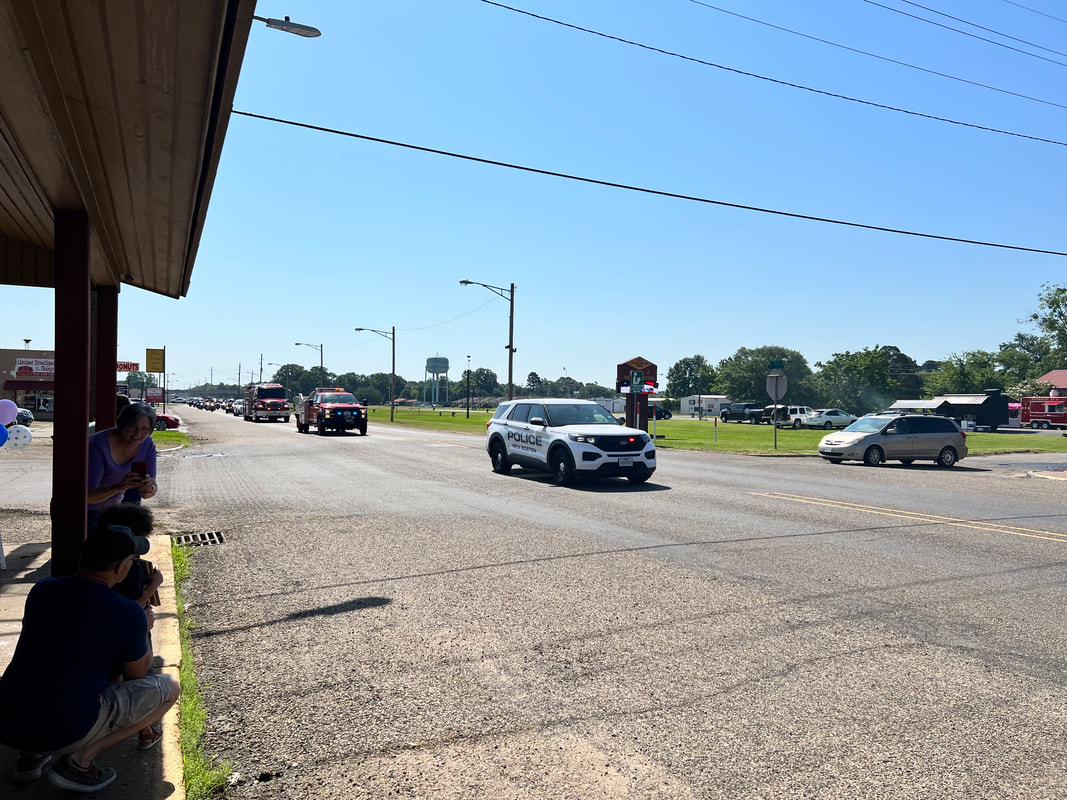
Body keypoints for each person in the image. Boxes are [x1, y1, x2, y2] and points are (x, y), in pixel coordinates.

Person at [0, 524, 179, 793]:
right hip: (65, 729)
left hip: (7, 721)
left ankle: (31, 757)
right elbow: (137, 676)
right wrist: (143, 628)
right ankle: (79, 763)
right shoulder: (127, 613)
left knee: (52, 673)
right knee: (168, 689)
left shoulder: (43, 590)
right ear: (120, 568)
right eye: (132, 561)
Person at [96, 504, 165, 749]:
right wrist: (153, 586)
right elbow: (131, 607)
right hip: (130, 627)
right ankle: (146, 731)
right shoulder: (131, 568)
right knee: (140, 676)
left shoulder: (48, 589)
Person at [88, 402, 158, 533]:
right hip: (83, 512)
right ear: (121, 424)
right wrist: (120, 486)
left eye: (144, 429)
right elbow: (86, 496)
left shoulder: (148, 445)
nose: (137, 434)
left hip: (113, 511)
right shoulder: (98, 445)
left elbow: (148, 493)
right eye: (132, 427)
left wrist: (148, 488)